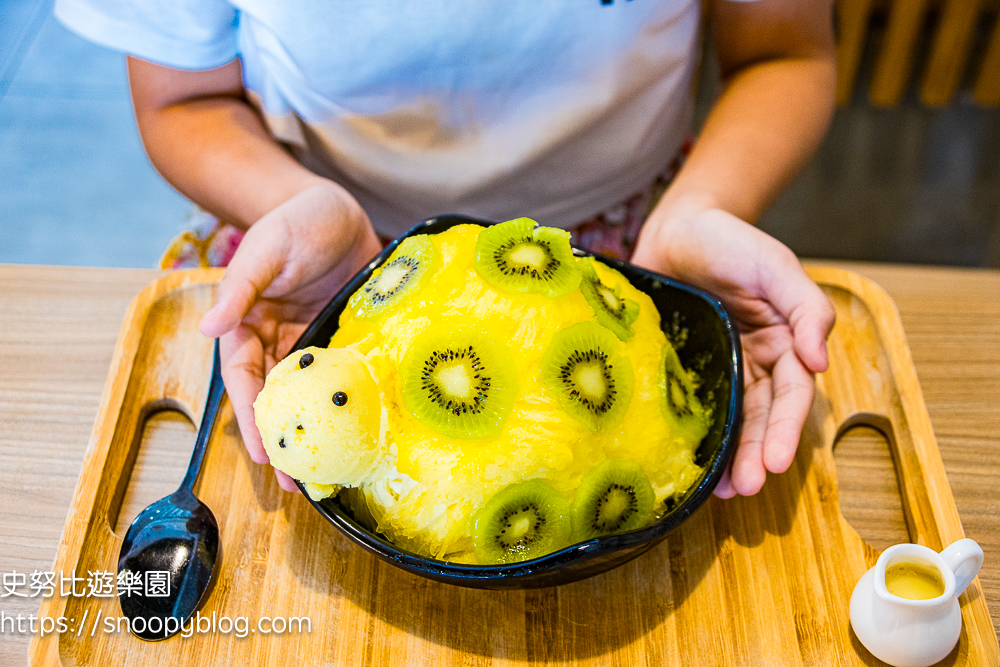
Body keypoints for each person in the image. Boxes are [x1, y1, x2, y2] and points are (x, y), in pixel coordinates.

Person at [56, 0, 837, 499]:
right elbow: (185, 99)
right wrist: (286, 201)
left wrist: (699, 208)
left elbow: (783, 52)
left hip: (635, 244)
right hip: (321, 253)